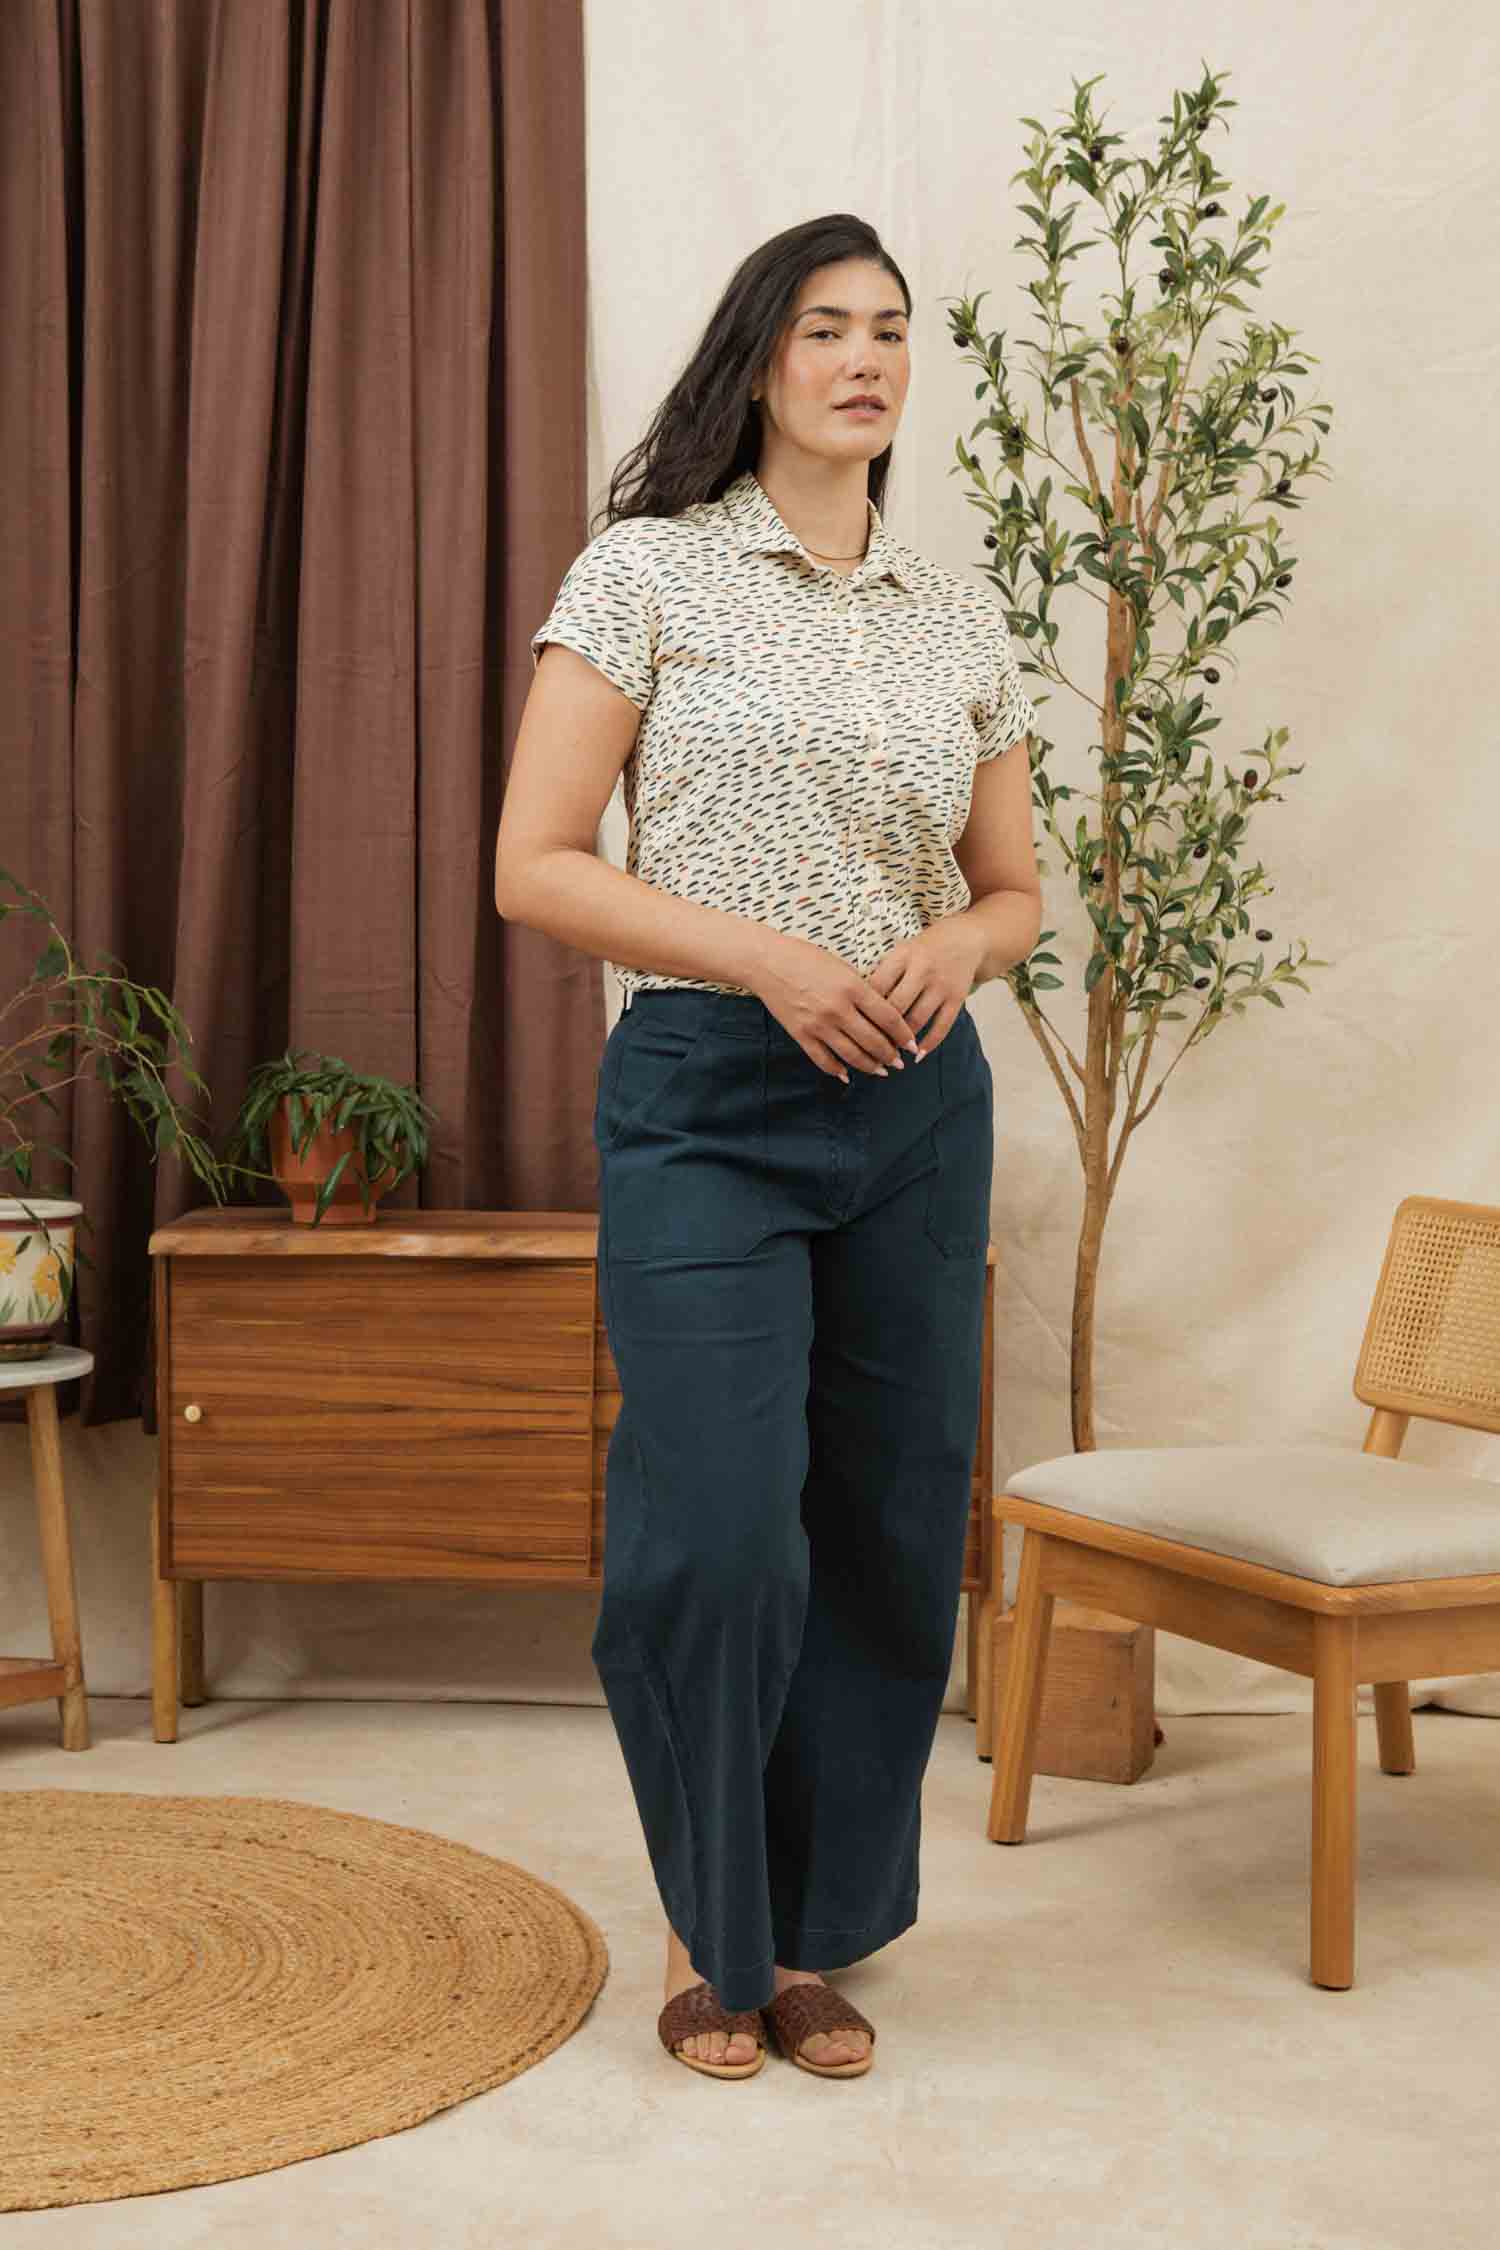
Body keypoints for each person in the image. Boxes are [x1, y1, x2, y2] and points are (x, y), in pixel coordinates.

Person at [496, 214, 1041, 2081]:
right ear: (758, 365)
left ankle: (800, 1941)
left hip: (913, 1105)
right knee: (719, 1534)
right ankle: (699, 1923)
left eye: (892, 330)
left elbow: (1016, 889)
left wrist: (955, 948)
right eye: (827, 328)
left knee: (884, 1536)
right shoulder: (646, 574)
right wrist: (771, 959)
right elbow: (536, 864)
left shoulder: (954, 611)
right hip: (710, 1100)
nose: (866, 357)